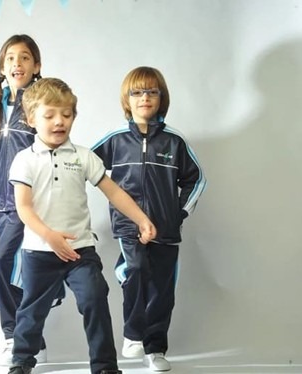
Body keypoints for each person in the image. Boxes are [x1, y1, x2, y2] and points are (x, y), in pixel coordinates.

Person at [7, 77, 158, 374]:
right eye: (49, 115)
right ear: (31, 119)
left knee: (94, 298)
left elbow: (114, 192)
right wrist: (50, 236)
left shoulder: (83, 156)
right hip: (40, 251)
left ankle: (104, 366)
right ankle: (22, 361)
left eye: (66, 115)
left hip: (80, 251)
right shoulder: (24, 161)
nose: (59, 122)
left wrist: (142, 219)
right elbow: (23, 207)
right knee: (31, 311)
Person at [92, 66, 207, 372]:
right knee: (136, 268)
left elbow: (196, 180)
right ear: (127, 100)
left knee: (161, 289)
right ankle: (133, 333)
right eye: (137, 92)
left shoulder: (174, 141)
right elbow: (82, 167)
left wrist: (178, 212)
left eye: (151, 91)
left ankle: (154, 348)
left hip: (166, 229)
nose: (145, 98)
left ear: (161, 98)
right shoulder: (115, 140)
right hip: (129, 226)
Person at [0, 34, 48, 366]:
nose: (16, 64)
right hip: (2, 204)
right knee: (11, 266)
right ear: (1, 66)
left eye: (24, 58)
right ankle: (27, 335)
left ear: (36, 66)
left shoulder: (40, 104)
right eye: (10, 58)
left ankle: (14, 334)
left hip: (29, 202)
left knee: (6, 262)